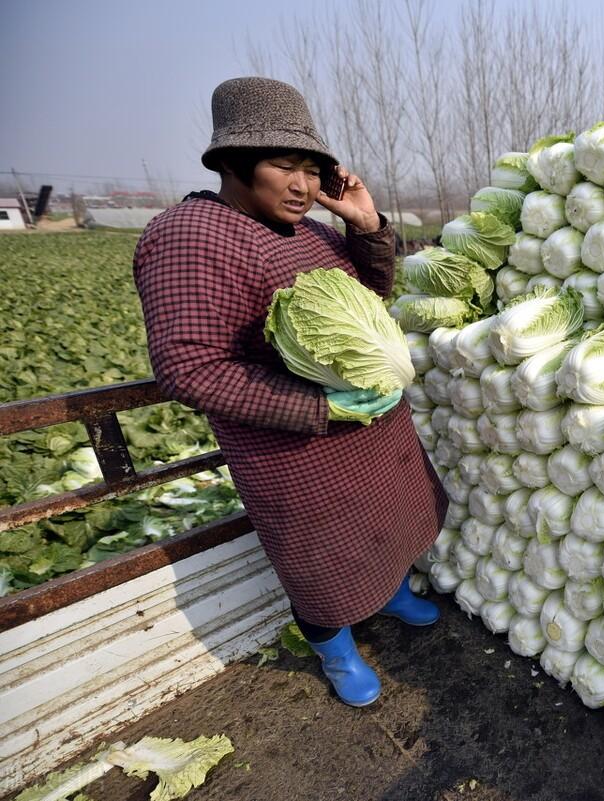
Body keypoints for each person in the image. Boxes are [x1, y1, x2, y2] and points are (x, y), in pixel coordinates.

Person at [133, 77, 446, 707]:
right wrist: (319, 407)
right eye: (285, 166)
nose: (303, 186)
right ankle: (336, 651)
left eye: (312, 169)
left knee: (391, 526)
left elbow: (370, 298)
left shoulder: (309, 232)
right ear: (232, 163)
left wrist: (367, 226)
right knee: (322, 566)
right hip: (295, 454)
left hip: (373, 436)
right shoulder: (187, 235)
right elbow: (187, 369)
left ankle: (390, 595)